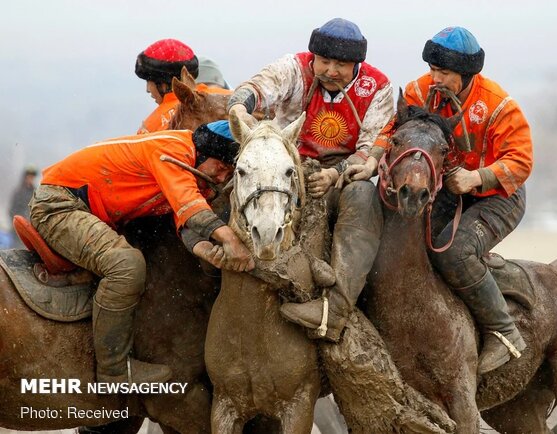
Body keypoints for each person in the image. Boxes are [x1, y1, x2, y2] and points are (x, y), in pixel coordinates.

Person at [29, 121, 254, 386]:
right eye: (220, 168)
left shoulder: (195, 170)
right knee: (127, 265)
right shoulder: (173, 151)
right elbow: (190, 206)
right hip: (60, 204)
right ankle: (113, 371)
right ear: (205, 153)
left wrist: (205, 250)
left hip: (85, 210)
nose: (220, 178)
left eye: (228, 174)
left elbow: (183, 221)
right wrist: (231, 242)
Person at [228, 18, 394, 342]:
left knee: (363, 195)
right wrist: (239, 109)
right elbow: (256, 88)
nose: (331, 70)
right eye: (324, 61)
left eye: (341, 64)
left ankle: (336, 309)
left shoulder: (377, 87)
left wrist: (337, 175)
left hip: (342, 170)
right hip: (285, 162)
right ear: (313, 57)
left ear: (357, 64)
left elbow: (372, 148)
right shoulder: (294, 68)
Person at [379, 26, 533, 374]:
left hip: (498, 196)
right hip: (447, 189)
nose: (434, 78)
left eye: (443, 73)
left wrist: (476, 177)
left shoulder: (498, 105)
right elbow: (393, 130)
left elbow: (521, 161)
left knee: (453, 252)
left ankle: (504, 332)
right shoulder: (419, 91)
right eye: (432, 69)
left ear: (466, 74)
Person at [135, 39, 231, 134]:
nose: (147, 89)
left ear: (163, 84)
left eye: (149, 81)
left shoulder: (151, 127)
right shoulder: (228, 97)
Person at [9, 166, 38, 248]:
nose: (31, 179)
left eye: (32, 177)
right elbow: (12, 210)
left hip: (31, 229)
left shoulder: (36, 192)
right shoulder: (18, 192)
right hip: (18, 228)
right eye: (29, 176)